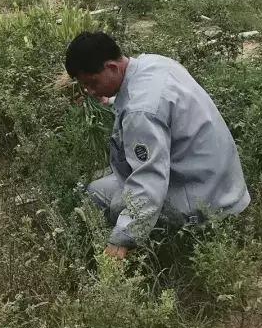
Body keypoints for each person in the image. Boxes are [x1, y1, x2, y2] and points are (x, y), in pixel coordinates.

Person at [64, 31, 250, 260]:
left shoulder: (140, 112)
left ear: (112, 67)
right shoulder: (154, 64)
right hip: (220, 181)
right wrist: (113, 98)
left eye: (92, 83)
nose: (91, 92)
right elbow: (150, 102)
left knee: (110, 201)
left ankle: (161, 257)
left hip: (204, 198)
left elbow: (148, 179)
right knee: (101, 187)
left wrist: (122, 238)